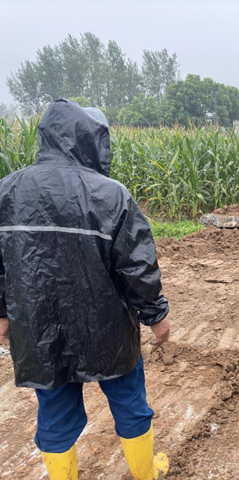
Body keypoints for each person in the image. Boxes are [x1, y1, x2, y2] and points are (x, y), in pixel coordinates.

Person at [0, 99, 171, 480]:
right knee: (129, 402)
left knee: (54, 412)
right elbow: (137, 267)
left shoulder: (7, 192)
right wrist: (156, 316)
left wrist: (1, 315)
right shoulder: (110, 195)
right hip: (107, 329)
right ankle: (146, 474)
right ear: (92, 141)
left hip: (41, 333)